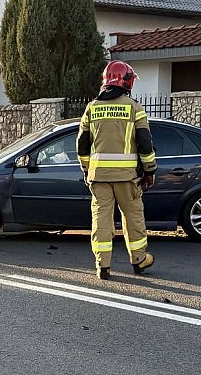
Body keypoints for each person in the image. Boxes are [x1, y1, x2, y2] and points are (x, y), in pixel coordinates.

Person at [76, 60, 157, 280]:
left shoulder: (91, 108)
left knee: (101, 218)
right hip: (126, 177)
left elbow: (82, 145)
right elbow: (145, 144)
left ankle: (102, 265)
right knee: (133, 217)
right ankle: (139, 260)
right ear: (127, 81)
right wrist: (150, 171)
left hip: (98, 177)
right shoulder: (134, 108)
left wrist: (86, 169)